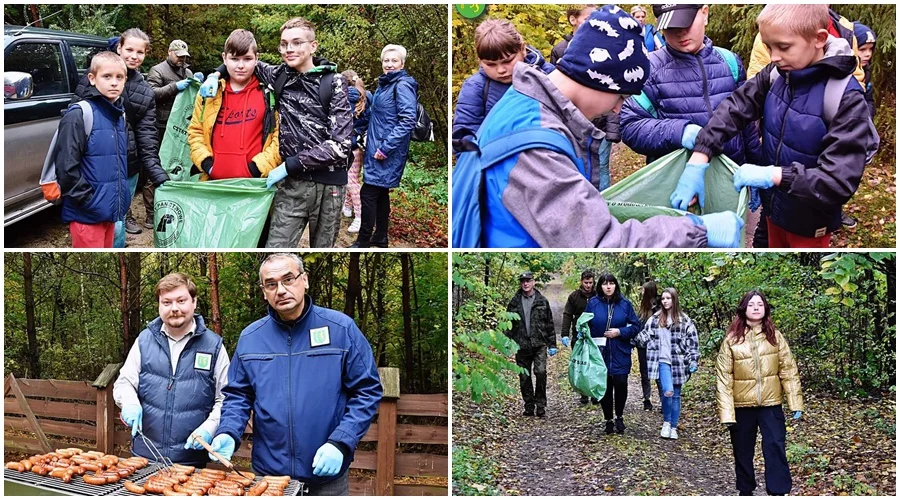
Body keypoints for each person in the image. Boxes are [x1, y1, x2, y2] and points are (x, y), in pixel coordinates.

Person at [451, 5, 744, 249]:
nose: (618, 108)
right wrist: (698, 229)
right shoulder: (537, 149)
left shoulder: (525, 98)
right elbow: (599, 241)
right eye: (621, 96)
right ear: (600, 80)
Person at [687, 4, 877, 248]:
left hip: (810, 222)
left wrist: (774, 175)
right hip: (774, 210)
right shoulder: (777, 74)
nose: (774, 56)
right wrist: (701, 153)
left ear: (818, 39)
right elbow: (735, 107)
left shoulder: (844, 97)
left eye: (783, 47)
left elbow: (838, 181)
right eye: (769, 47)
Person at [209, 253, 382, 495]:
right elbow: (238, 395)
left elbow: (367, 391)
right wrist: (228, 430)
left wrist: (342, 441)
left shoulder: (341, 329)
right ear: (263, 291)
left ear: (305, 280)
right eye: (271, 284)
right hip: (269, 478)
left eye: (288, 279)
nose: (280, 290)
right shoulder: (251, 338)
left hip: (326, 477)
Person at [200, 17, 353, 248]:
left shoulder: (334, 83)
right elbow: (241, 59)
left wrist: (288, 165)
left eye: (297, 42)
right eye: (284, 44)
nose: (289, 49)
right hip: (291, 185)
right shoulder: (279, 75)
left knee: (323, 250)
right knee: (276, 248)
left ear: (313, 46)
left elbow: (341, 146)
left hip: (328, 185)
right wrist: (215, 75)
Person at [620, 3, 763, 213]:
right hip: (679, 184)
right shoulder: (649, 70)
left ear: (704, 13)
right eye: (670, 28)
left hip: (728, 178)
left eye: (685, 23)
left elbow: (746, 122)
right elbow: (630, 126)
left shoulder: (729, 62)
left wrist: (755, 166)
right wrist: (680, 132)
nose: (679, 33)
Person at [113, 273, 230, 466]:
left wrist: (210, 427)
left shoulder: (214, 346)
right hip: (143, 458)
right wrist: (129, 403)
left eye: (181, 301)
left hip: (191, 463)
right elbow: (124, 382)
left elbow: (225, 397)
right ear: (159, 305)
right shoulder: (144, 340)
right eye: (166, 302)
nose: (174, 308)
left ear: (194, 302)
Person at [73, 29, 170, 247]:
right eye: (129, 50)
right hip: (94, 164)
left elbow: (147, 136)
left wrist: (157, 173)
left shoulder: (145, 91)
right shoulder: (94, 77)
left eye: (140, 52)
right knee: (93, 222)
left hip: (128, 165)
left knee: (117, 223)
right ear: (119, 48)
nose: (134, 56)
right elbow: (75, 120)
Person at [715, 291, 803, 496]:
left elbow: (788, 370)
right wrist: (727, 414)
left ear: (765, 309)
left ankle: (778, 491)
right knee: (743, 451)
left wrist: (795, 403)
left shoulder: (775, 337)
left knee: (775, 446)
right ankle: (745, 490)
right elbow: (724, 378)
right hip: (742, 406)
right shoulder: (731, 340)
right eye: (752, 304)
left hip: (771, 404)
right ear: (744, 308)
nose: (756, 308)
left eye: (760, 305)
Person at [55, 52, 129, 248]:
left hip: (110, 211)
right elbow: (66, 168)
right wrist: (90, 201)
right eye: (107, 76)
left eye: (119, 77)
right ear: (92, 79)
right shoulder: (80, 114)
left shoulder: (119, 116)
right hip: (87, 214)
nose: (114, 83)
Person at [187, 29, 281, 181]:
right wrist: (207, 164)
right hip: (213, 183)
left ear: (257, 58)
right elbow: (195, 131)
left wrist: (257, 169)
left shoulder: (268, 93)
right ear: (224, 58)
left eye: (247, 59)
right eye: (235, 59)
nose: (241, 65)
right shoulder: (210, 93)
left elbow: (278, 136)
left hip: (254, 185)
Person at [453, 18, 554, 155]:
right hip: (496, 165)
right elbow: (464, 136)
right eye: (491, 64)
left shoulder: (550, 76)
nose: (500, 70)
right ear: (480, 60)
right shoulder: (475, 87)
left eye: (507, 61)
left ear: (522, 49)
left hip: (552, 159)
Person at [351, 44, 418, 248]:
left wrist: (385, 148)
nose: (389, 64)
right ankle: (380, 237)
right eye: (386, 61)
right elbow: (379, 117)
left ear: (402, 63)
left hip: (386, 151)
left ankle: (363, 240)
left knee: (368, 193)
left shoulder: (402, 85)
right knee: (380, 193)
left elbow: (408, 119)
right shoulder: (385, 85)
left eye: (394, 60)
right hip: (376, 148)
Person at [633, 287, 699, 440]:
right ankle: (666, 423)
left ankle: (673, 426)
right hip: (661, 361)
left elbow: (692, 342)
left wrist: (693, 360)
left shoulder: (684, 321)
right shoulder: (655, 319)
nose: (665, 301)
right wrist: (629, 338)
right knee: (667, 390)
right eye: (663, 299)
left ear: (674, 300)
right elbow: (644, 335)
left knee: (675, 395)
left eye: (668, 298)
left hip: (678, 362)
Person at [146, 39, 197, 229]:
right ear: (169, 52)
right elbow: (150, 93)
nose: (181, 60)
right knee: (156, 167)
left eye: (184, 57)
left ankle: (179, 204)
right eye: (178, 56)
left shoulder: (187, 71)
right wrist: (175, 87)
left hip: (183, 127)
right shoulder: (157, 71)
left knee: (181, 165)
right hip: (161, 126)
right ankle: (151, 213)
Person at [583, 273, 640, 434]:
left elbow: (636, 326)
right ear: (600, 286)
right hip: (600, 352)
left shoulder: (625, 304)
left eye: (611, 283)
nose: (608, 287)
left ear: (616, 285)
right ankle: (608, 419)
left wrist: (620, 332)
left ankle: (619, 416)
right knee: (605, 385)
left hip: (620, 350)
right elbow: (584, 324)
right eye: (605, 284)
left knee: (621, 383)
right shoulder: (593, 303)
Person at [505, 271, 556, 417]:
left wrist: (552, 344)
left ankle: (540, 404)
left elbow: (549, 324)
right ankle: (529, 405)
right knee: (524, 377)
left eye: (528, 281)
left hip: (539, 344)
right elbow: (508, 324)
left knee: (540, 372)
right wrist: (507, 342)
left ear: (533, 282)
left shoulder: (542, 301)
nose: (525, 283)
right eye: (523, 281)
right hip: (521, 345)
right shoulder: (514, 302)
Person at [341, 70, 372, 234]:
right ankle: (347, 206)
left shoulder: (345, 97)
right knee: (353, 177)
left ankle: (360, 217)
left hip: (351, 145)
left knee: (350, 180)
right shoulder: (367, 96)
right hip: (361, 144)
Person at [560, 270, 597, 404]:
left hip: (595, 335)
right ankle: (583, 393)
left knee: (593, 364)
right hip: (579, 335)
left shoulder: (598, 295)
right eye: (586, 283)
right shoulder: (574, 297)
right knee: (581, 365)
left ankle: (594, 391)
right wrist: (565, 334)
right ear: (581, 282)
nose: (588, 285)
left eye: (590, 283)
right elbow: (567, 315)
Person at [635, 280, 660, 411]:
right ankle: (647, 399)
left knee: (659, 373)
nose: (641, 292)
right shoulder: (643, 308)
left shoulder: (659, 306)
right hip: (643, 346)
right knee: (644, 372)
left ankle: (663, 400)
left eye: (643, 290)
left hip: (656, 346)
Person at [853, 23, 876, 120]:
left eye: (870, 49)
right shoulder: (841, 74)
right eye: (862, 49)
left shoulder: (866, 71)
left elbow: (869, 100)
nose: (868, 54)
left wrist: (867, 118)